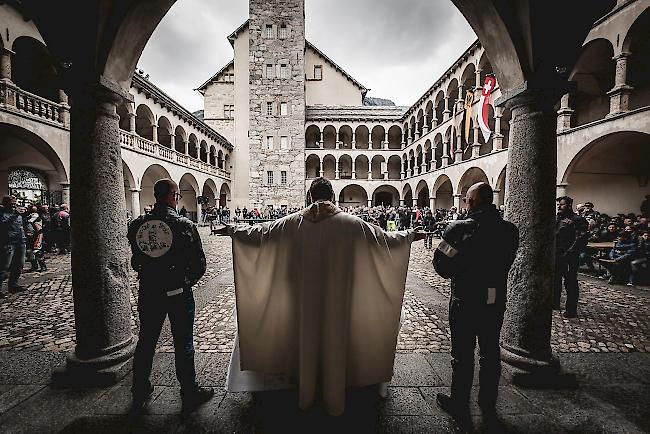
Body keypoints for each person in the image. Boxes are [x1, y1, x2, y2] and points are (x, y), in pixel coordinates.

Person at [215, 177, 425, 416]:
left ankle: (305, 389)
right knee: (336, 340)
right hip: (341, 298)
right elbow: (384, 239)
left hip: (301, 300)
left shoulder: (290, 223)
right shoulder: (352, 223)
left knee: (304, 339)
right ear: (333, 197)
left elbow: (259, 233)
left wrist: (232, 230)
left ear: (309, 197)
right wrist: (409, 235)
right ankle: (335, 389)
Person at [432, 182, 518, 430]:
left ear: (474, 202)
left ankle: (459, 402)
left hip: (465, 298)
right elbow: (507, 261)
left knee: (462, 354)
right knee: (490, 353)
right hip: (493, 298)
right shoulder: (509, 230)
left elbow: (441, 265)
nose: (465, 204)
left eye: (467, 200)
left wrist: (464, 270)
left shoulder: (458, 229)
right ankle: (487, 402)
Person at [127, 179, 213, 416]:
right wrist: (183, 282)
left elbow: (136, 261)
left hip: (149, 292)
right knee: (183, 342)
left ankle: (140, 390)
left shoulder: (136, 225)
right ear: (173, 196)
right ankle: (189, 391)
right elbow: (199, 264)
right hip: (177, 292)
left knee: (146, 342)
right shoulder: (184, 225)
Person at [554, 196, 588, 318]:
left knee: (570, 282)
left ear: (569, 205)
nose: (559, 206)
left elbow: (581, 238)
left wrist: (570, 252)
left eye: (562, 204)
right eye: (558, 204)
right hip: (556, 254)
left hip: (569, 255)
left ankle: (571, 309)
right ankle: (555, 302)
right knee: (555, 279)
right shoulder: (558, 218)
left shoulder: (578, 220)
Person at [0, 196, 28, 298]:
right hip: (8, 242)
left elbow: (21, 225)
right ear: (5, 203)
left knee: (19, 264)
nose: (14, 205)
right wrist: (15, 215)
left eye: (15, 203)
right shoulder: (2, 213)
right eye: (12, 203)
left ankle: (13, 285)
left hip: (20, 241)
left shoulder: (17, 213)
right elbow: (4, 225)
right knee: (4, 266)